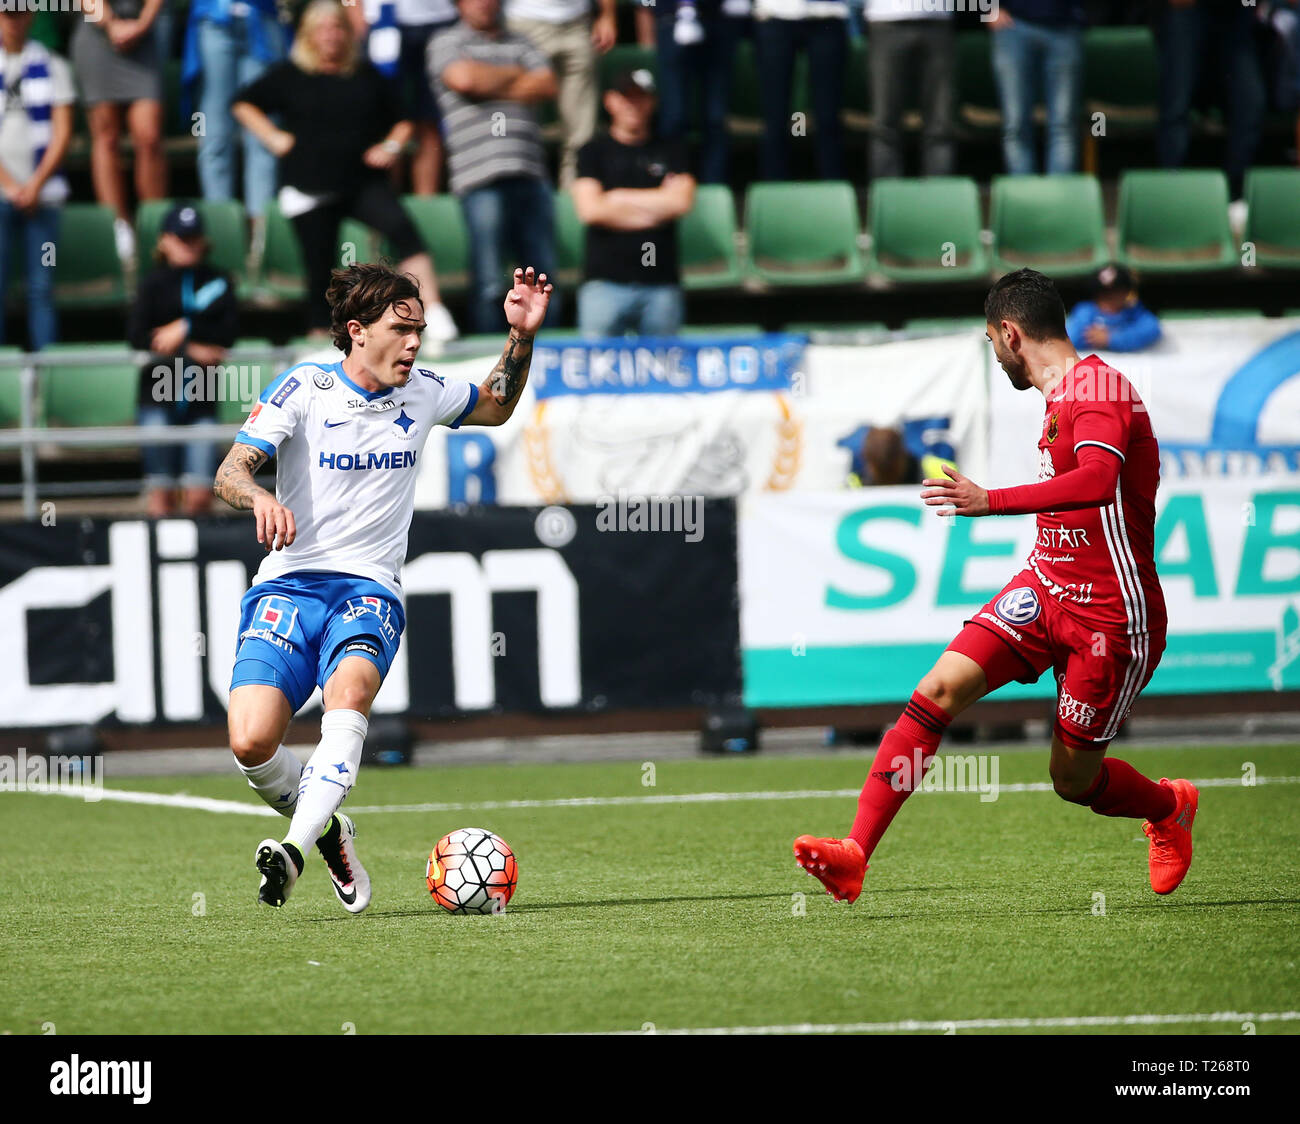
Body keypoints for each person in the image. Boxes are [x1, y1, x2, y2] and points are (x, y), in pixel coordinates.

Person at [794, 268, 1197, 905]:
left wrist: (992, 500)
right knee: (936, 691)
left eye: (991, 340)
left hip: (1110, 617)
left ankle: (1167, 806)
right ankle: (854, 854)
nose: (994, 351)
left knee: (1071, 779)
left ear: (1010, 333)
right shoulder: (1063, 394)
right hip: (1044, 586)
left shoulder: (1099, 392)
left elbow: (1096, 482)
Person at [213, 261, 552, 910]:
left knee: (352, 692)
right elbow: (232, 470)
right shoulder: (304, 387)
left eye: (420, 329)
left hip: (368, 588)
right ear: (356, 331)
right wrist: (256, 498)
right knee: (251, 742)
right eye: (402, 329)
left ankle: (292, 848)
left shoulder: (424, 389)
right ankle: (331, 833)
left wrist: (522, 335)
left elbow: (497, 404)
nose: (416, 343)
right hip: (287, 585)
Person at [232, 0, 457, 342]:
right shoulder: (291, 75)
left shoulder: (365, 74)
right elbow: (243, 102)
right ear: (308, 35)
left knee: (405, 231)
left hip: (361, 181)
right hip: (310, 185)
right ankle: (321, 336)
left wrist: (392, 147)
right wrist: (272, 137)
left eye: (337, 27)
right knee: (318, 264)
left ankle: (433, 312)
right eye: (322, 29)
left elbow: (403, 120)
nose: (331, 35)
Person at [429, 0, 561, 334]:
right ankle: (491, 356)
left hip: (530, 172)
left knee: (543, 276)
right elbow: (464, 79)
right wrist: (518, 76)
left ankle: (542, 354)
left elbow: (546, 83)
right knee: (489, 278)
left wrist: (489, 78)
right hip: (478, 176)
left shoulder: (521, 41)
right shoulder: (446, 41)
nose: (485, 3)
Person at [133, 202, 239, 517]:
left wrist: (183, 328)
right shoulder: (151, 284)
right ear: (164, 241)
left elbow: (228, 333)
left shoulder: (219, 280)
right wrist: (192, 348)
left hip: (201, 398)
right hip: (156, 395)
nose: (187, 245)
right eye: (180, 238)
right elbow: (139, 336)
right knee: (160, 496)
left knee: (199, 497)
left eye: (193, 238)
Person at [572, 68, 695, 337]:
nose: (634, 105)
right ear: (610, 100)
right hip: (604, 283)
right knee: (596, 369)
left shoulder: (672, 149)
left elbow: (681, 202)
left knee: (665, 372)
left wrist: (616, 199)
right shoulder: (593, 151)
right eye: (627, 97)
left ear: (653, 102)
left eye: (641, 97)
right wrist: (658, 205)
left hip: (661, 282)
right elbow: (591, 210)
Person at [72, 0, 169, 263]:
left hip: (145, 35)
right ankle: (118, 228)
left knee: (148, 136)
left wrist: (142, 24)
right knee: (106, 137)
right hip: (96, 33)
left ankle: (155, 225)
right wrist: (112, 25)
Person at [0, 8, 73, 351]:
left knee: (41, 289)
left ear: (30, 16)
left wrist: (34, 186)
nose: (13, 19)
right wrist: (12, 187)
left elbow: (62, 132)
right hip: (5, 195)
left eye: (18, 12)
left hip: (43, 199)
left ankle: (47, 379)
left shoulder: (54, 65)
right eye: (6, 13)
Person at [182, 0, 289, 225]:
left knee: (263, 134)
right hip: (213, 19)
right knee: (214, 135)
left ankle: (261, 230)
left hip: (263, 19)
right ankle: (221, 227)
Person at [1154, 0, 1265, 205]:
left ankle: (1234, 195)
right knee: (1176, 105)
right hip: (1187, 11)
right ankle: (1171, 196)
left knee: (1250, 103)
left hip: (1236, 15)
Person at [346, 0, 459, 196]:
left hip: (441, 20)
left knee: (430, 118)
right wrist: (353, 13)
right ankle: (387, 201)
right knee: (385, 120)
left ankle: (427, 203)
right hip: (382, 20)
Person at [505, 0, 617, 189]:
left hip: (577, 22)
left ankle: (575, 198)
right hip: (524, 21)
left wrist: (607, 15)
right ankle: (521, 194)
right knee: (517, 123)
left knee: (582, 128)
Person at [752, 0, 848, 181]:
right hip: (775, 15)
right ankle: (773, 192)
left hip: (827, 15)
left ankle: (834, 191)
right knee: (774, 116)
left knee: (828, 116)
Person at [988, 0, 1086, 176]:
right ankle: (1023, 199)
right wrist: (988, 8)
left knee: (1063, 125)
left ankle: (1061, 199)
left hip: (1065, 26)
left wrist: (1083, 13)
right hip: (1012, 27)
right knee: (1015, 124)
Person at [865, 0, 955, 179]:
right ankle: (887, 195)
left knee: (941, 121)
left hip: (938, 21)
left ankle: (941, 193)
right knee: (884, 121)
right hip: (886, 20)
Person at [1066, 263, 1162, 354]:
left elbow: (1152, 329)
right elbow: (1070, 338)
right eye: (1103, 292)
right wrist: (1094, 338)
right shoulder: (1085, 311)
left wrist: (1111, 339)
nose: (1109, 296)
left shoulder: (1134, 312)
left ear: (1126, 292)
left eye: (1116, 291)